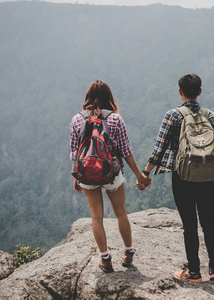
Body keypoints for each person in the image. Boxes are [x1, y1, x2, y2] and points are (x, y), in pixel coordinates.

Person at [138, 74, 214, 282]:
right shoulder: (211, 116)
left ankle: (194, 272)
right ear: (200, 91)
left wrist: (146, 173)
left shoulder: (173, 116)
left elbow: (159, 149)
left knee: (189, 224)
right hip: (208, 178)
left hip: (182, 177)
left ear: (180, 92)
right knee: (208, 223)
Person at [70, 80, 151, 273]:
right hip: (112, 174)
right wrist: (139, 175)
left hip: (87, 175)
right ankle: (129, 253)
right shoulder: (115, 119)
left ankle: (105, 259)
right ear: (110, 97)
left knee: (96, 217)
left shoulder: (76, 120)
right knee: (121, 213)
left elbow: (74, 153)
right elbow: (126, 151)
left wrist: (76, 177)